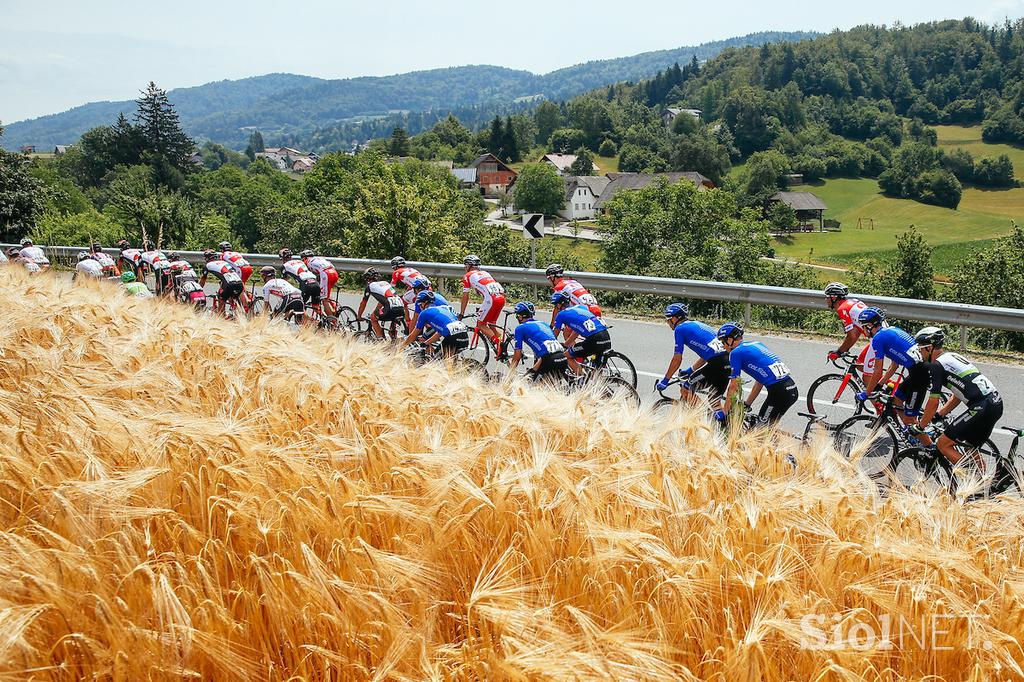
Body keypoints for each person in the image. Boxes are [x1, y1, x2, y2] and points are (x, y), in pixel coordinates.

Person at [914, 327, 1003, 465]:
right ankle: (983, 481)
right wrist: (941, 413)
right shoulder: (952, 357)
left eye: (921, 349)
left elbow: (933, 401)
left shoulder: (936, 366)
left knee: (943, 444)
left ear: (929, 348)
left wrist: (921, 426)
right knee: (970, 448)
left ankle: (969, 484)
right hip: (995, 403)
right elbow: (959, 393)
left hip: (982, 407)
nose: (920, 353)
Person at [856, 307, 928, 432]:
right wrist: (880, 384)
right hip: (918, 370)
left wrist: (866, 393)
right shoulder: (891, 330)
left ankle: (922, 444)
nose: (863, 330)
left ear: (869, 325)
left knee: (910, 420)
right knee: (896, 401)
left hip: (919, 375)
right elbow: (894, 365)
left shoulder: (878, 339)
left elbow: (877, 371)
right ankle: (910, 433)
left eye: (863, 326)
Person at [718, 323, 798, 425]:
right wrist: (747, 404)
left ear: (730, 340)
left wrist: (725, 412)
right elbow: (759, 381)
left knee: (760, 432)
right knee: (769, 428)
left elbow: (734, 385)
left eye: (723, 342)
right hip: (791, 388)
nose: (723, 346)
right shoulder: (757, 344)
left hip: (779, 393)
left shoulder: (735, 353)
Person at [656, 303, 730, 414]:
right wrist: (691, 370)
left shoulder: (679, 329)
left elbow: (677, 358)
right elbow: (708, 353)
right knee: (714, 401)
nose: (667, 322)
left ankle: (707, 418)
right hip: (728, 362)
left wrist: (666, 380)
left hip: (717, 364)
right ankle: (723, 425)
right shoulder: (697, 324)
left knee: (686, 388)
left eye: (668, 319)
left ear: (675, 318)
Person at [822, 282, 880, 374]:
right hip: (878, 337)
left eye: (827, 297)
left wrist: (839, 352)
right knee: (860, 365)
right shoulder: (853, 302)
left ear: (833, 297)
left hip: (878, 340)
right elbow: (856, 332)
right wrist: (843, 349)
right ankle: (885, 385)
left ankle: (884, 386)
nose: (826, 300)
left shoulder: (843, 309)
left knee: (867, 377)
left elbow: (851, 336)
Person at [508, 301, 569, 382]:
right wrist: (533, 370)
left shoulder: (520, 328)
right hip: (563, 359)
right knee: (549, 389)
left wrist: (510, 375)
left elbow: (517, 356)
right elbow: (547, 352)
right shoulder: (544, 324)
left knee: (534, 387)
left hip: (549, 360)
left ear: (520, 317)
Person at [399, 290, 470, 359]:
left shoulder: (424, 313)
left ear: (425, 303)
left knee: (434, 361)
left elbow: (413, 336)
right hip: (465, 336)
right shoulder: (445, 308)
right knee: (450, 363)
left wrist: (401, 348)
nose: (420, 307)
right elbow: (439, 332)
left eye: (420, 304)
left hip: (453, 338)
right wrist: (426, 343)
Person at [550, 291, 607, 375]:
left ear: (559, 305)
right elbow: (577, 330)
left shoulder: (561, 314)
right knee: (595, 373)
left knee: (566, 356)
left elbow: (554, 335)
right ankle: (598, 384)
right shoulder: (581, 307)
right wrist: (567, 343)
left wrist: (549, 346)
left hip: (594, 340)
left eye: (555, 305)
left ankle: (582, 378)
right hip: (605, 335)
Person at [459, 254, 506, 353]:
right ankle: (503, 345)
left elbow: (465, 297)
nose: (465, 268)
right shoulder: (485, 273)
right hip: (501, 298)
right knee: (492, 325)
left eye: (465, 265)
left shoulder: (467, 276)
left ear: (469, 265)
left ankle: (499, 343)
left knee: (481, 324)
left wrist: (461, 313)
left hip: (492, 299)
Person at [357, 267, 405, 340]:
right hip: (401, 307)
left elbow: (363, 304)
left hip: (389, 308)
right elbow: (383, 301)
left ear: (367, 278)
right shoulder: (385, 283)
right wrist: (376, 311)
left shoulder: (370, 286)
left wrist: (359, 316)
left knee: (373, 318)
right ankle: (394, 340)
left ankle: (380, 340)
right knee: (392, 322)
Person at [199, 249, 244, 314]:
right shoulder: (224, 262)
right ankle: (240, 315)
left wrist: (199, 290)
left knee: (221, 298)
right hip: (239, 283)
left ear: (207, 258)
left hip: (229, 283)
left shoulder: (208, 265)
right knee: (232, 298)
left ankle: (221, 318)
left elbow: (203, 280)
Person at [301, 249, 339, 314]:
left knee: (324, 300)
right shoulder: (319, 258)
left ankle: (332, 322)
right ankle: (336, 308)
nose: (303, 261)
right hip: (334, 272)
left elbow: (309, 275)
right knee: (326, 293)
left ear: (305, 258)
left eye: (302, 259)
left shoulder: (307, 261)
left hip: (326, 274)